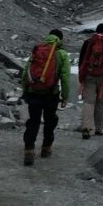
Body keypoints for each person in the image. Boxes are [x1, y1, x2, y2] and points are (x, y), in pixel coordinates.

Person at [21, 29, 71, 165]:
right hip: (51, 94)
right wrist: (65, 96)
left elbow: (26, 71)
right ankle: (46, 148)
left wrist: (25, 90)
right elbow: (65, 77)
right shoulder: (61, 54)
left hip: (34, 92)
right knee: (50, 121)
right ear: (60, 39)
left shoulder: (37, 50)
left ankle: (29, 150)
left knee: (33, 121)